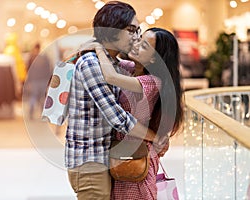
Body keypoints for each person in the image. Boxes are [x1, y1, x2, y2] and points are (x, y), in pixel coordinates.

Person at [65, 1, 167, 199]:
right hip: (89, 162)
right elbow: (118, 118)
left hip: (104, 157)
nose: (136, 37)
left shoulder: (113, 64)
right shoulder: (91, 64)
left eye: (138, 31)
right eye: (131, 30)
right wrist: (155, 137)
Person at [95, 27, 184, 199]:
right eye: (139, 40)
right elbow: (113, 62)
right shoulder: (134, 69)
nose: (136, 45)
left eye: (144, 46)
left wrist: (99, 47)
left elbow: (111, 76)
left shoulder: (151, 82)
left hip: (137, 160)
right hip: (124, 156)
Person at [26, 43, 52, 119]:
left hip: (34, 81)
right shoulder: (45, 57)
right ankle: (43, 114)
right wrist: (49, 81)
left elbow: (28, 70)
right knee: (42, 98)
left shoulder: (32, 57)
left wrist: (28, 81)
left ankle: (31, 113)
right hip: (43, 80)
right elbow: (49, 70)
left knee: (33, 97)